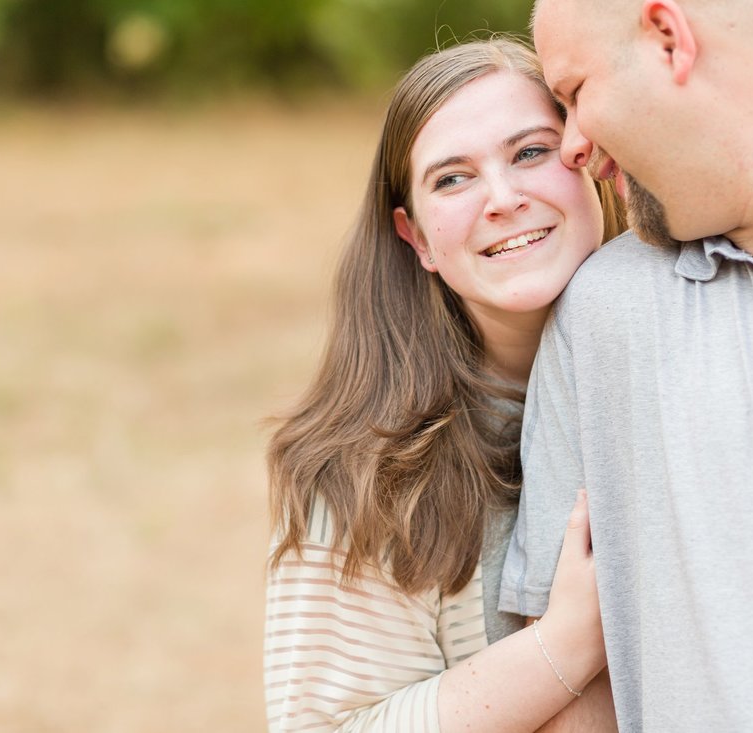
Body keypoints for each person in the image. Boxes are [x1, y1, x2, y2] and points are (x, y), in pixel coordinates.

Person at [500, 0, 753, 730]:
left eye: (577, 94)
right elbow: (570, 684)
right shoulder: (601, 313)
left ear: (667, 37)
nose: (571, 147)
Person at [264, 38, 626, 732]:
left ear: (592, 163)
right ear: (417, 237)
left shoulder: (680, 364)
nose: (503, 198)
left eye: (530, 152)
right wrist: (565, 646)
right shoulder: (367, 470)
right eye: (452, 179)